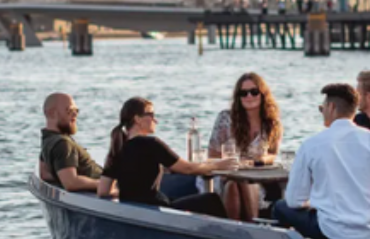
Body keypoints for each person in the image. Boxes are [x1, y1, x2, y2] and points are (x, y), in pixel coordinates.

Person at [273, 84, 370, 239]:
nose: (322, 113)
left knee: (280, 207)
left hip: (331, 230)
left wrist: (314, 203)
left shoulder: (311, 145)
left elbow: (294, 201)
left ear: (331, 107)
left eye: (323, 108)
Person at [97, 97, 235, 217]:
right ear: (137, 119)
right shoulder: (151, 144)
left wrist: (125, 193)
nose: (155, 120)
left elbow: (103, 191)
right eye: (151, 114)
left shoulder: (117, 148)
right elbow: (187, 169)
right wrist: (218, 165)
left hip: (136, 211)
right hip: (156, 208)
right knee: (211, 200)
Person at [208, 72, 283, 221]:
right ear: (238, 97)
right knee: (233, 183)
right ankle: (246, 230)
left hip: (254, 177)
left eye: (254, 92)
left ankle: (243, 231)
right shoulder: (225, 118)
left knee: (242, 182)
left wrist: (258, 160)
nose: (249, 96)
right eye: (243, 93)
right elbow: (212, 155)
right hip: (224, 175)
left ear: (262, 94)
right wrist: (227, 166)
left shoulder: (272, 124)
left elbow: (273, 155)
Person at [38, 92, 104, 194]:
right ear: (52, 113)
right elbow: (71, 183)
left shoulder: (47, 140)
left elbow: (45, 174)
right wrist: (104, 185)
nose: (75, 115)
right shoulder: (63, 144)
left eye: (76, 111)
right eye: (69, 110)